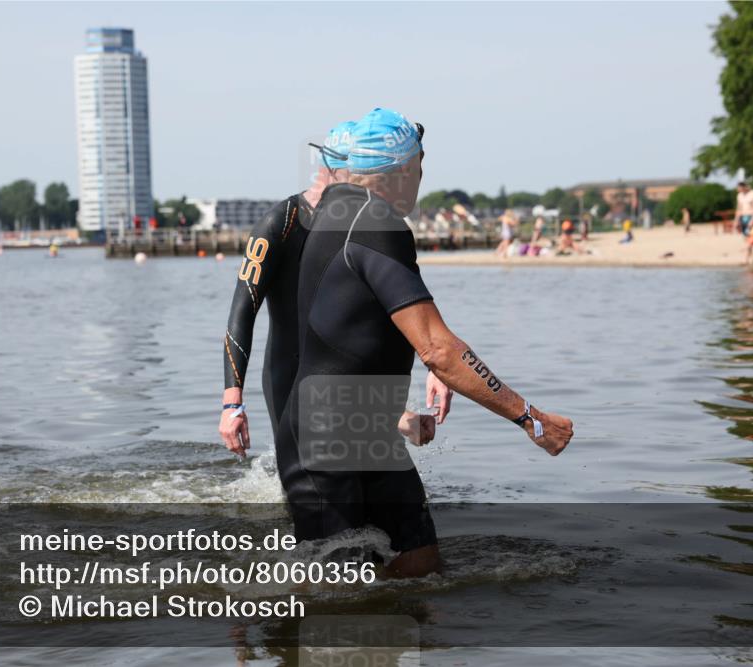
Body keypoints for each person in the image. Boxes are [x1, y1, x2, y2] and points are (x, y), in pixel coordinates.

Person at [276, 108, 574, 577]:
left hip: (358, 426)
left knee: (420, 567)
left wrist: (417, 382)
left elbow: (350, 322)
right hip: (329, 443)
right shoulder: (376, 222)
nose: (421, 176)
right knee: (335, 604)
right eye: (419, 165)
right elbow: (438, 345)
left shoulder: (337, 210)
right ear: (402, 171)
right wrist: (530, 418)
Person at [220, 121, 452, 457]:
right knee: (308, 487)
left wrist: (438, 367)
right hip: (289, 371)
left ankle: (392, 421)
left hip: (352, 378)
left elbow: (406, 306)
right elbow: (242, 310)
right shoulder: (281, 222)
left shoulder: (369, 225)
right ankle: (395, 422)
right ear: (328, 166)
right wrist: (232, 403)